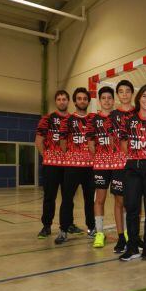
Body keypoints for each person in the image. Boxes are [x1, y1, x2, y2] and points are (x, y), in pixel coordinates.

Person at [119, 84, 146, 261]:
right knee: (132, 207)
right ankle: (132, 246)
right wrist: (132, 154)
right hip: (132, 167)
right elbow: (122, 141)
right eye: (144, 96)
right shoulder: (129, 119)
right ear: (139, 98)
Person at [55, 87, 95, 244]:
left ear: (88, 101)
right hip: (72, 166)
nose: (82, 101)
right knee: (67, 199)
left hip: (90, 167)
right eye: (79, 98)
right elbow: (63, 142)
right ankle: (63, 230)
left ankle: (92, 229)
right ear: (75, 101)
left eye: (85, 98)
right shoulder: (68, 120)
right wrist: (73, 155)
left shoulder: (94, 119)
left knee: (89, 200)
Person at [35, 90, 74, 238]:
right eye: (59, 99)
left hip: (69, 165)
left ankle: (68, 224)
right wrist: (46, 156)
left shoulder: (73, 119)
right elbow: (38, 141)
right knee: (49, 196)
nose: (62, 101)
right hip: (51, 165)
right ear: (56, 102)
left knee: (68, 197)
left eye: (64, 99)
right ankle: (46, 225)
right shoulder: (47, 119)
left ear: (68, 101)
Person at [109, 80, 137, 253]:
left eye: (128, 91)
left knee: (134, 203)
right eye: (121, 91)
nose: (125, 94)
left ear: (132, 93)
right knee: (119, 201)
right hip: (119, 163)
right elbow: (113, 139)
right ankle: (121, 237)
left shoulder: (138, 112)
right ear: (117, 95)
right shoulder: (113, 115)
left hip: (136, 163)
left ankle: (134, 236)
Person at [87, 86, 115, 248]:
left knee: (121, 199)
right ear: (99, 100)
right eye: (103, 98)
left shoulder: (118, 117)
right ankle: (99, 232)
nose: (106, 101)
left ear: (113, 100)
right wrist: (99, 158)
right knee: (100, 199)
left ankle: (124, 232)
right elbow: (91, 144)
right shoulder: (93, 120)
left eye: (109, 98)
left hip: (118, 164)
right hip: (101, 164)